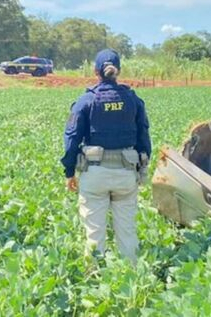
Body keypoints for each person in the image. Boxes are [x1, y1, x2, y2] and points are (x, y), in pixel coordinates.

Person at [61, 49, 151, 263]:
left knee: (94, 232)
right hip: (125, 173)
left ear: (95, 71)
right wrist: (143, 168)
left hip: (95, 174)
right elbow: (144, 138)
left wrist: (69, 171)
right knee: (127, 232)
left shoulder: (86, 100)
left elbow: (71, 138)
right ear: (117, 70)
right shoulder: (132, 99)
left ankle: (94, 279)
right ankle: (133, 279)